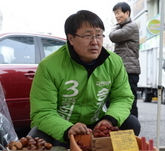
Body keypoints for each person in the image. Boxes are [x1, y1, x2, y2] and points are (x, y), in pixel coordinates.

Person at [28, 10, 141, 148]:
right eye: (88, 36)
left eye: (99, 35)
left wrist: (109, 120)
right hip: (62, 125)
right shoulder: (49, 66)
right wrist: (67, 129)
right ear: (71, 39)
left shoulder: (114, 62)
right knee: (36, 136)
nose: (95, 42)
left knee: (131, 123)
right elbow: (43, 112)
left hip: (95, 123)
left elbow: (123, 98)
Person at [109, 2, 140, 118]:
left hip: (129, 70)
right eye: (115, 14)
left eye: (118, 13)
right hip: (123, 69)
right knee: (116, 99)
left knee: (130, 101)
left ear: (127, 13)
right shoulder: (123, 26)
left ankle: (132, 129)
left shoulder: (131, 26)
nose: (116, 16)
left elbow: (113, 36)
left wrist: (116, 26)